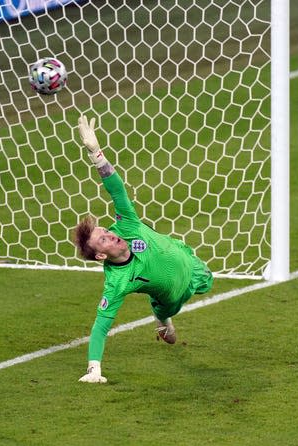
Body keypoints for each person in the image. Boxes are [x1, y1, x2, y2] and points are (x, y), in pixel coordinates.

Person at [74, 115, 215, 384]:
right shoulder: (117, 282)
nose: (111, 235)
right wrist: (94, 369)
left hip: (189, 261)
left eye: (106, 230)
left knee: (208, 280)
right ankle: (163, 320)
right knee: (168, 314)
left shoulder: (127, 224)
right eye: (103, 240)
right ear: (101, 256)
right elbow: (101, 326)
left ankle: (163, 318)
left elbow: (116, 190)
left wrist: (96, 153)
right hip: (172, 295)